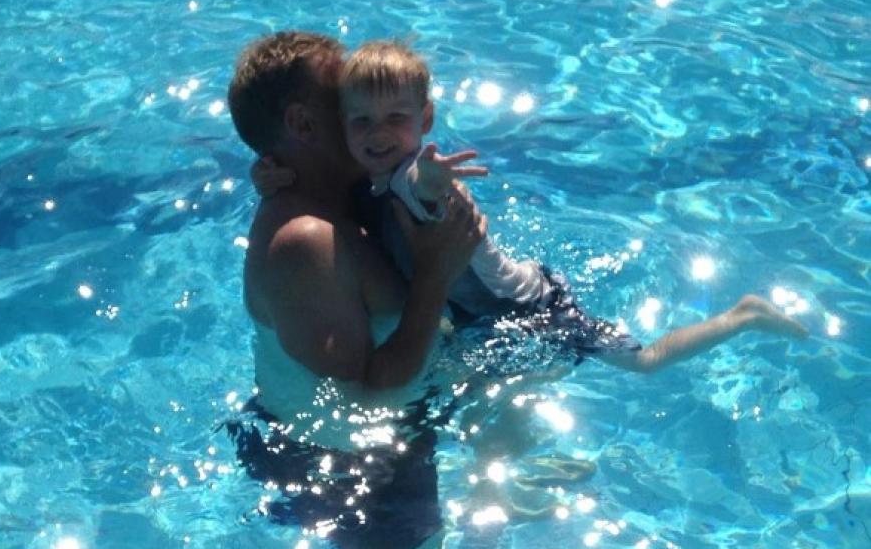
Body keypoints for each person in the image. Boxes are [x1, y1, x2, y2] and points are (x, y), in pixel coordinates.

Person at [253, 39, 809, 378]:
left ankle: (743, 315)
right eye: (360, 121)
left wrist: (433, 175)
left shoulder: (408, 176)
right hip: (479, 312)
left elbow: (418, 182)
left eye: (396, 119)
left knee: (645, 363)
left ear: (425, 121)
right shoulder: (370, 178)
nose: (378, 136)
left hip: (527, 307)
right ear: (339, 124)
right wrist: (276, 173)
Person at [226, 31, 486, 549]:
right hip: (351, 473)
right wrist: (436, 274)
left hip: (370, 446)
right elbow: (366, 393)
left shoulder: (341, 199)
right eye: (345, 99)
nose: (363, 105)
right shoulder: (306, 241)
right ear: (303, 123)